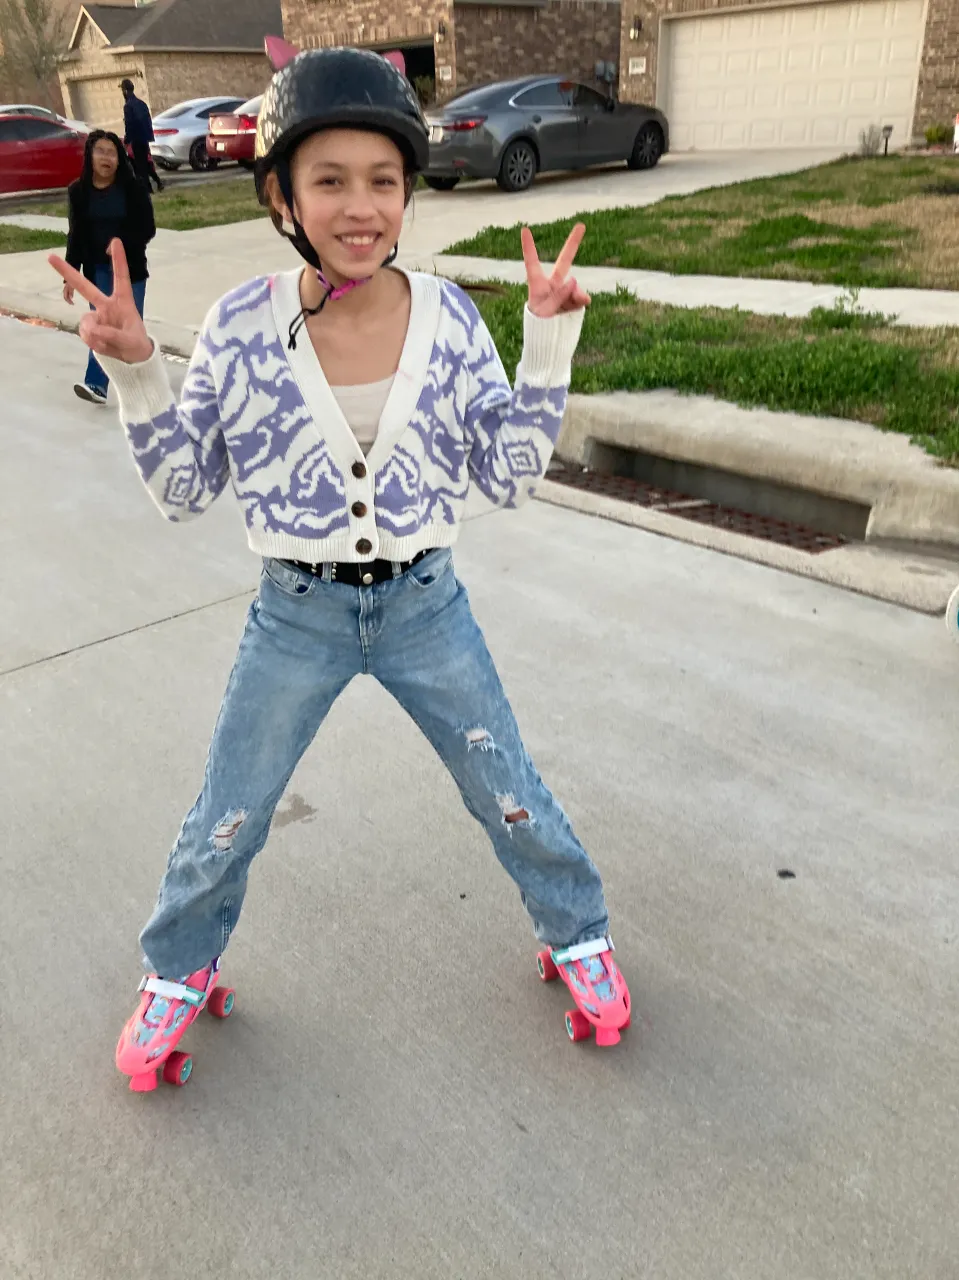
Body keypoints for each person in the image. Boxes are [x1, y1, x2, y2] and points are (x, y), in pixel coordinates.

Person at [50, 47, 630, 1088]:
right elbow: (185, 488)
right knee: (230, 805)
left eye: (383, 181)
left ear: (408, 193)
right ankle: (178, 967)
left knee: (507, 785)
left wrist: (547, 343)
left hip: (425, 603)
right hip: (297, 613)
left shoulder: (449, 320)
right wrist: (138, 368)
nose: (360, 207)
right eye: (329, 180)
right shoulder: (237, 326)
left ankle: (577, 930)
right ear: (281, 193)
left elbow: (507, 475)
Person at [62, 129, 155, 405]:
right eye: (100, 151)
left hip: (130, 272)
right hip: (98, 271)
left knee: (129, 328)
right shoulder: (78, 192)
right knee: (102, 326)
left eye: (111, 152)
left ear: (119, 158)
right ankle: (96, 385)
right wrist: (70, 274)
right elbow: (76, 234)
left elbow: (147, 228)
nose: (106, 157)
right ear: (89, 156)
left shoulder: (134, 188)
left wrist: (119, 243)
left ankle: (143, 380)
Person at [120, 77, 163, 193]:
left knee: (140, 166)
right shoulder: (141, 103)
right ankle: (153, 185)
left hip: (136, 139)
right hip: (145, 138)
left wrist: (127, 140)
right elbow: (148, 121)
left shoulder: (128, 106)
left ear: (124, 91)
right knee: (145, 163)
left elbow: (129, 124)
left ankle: (147, 189)